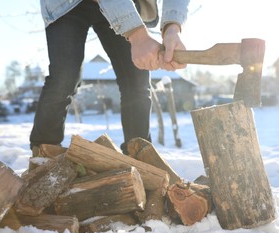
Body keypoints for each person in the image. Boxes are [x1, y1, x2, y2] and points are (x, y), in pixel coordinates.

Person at [30, 0, 190, 155]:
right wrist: (137, 34)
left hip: (124, 3)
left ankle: (139, 153)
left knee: (136, 80)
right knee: (64, 78)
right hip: (66, 5)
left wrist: (172, 28)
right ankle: (44, 152)